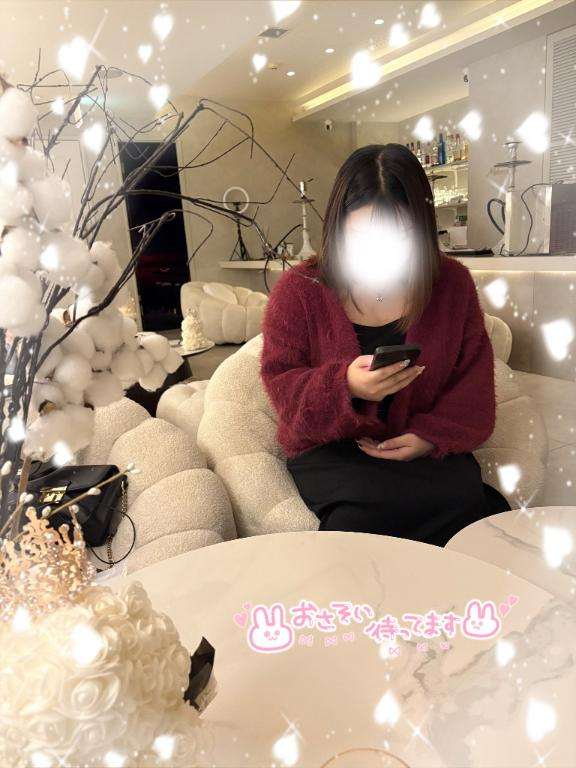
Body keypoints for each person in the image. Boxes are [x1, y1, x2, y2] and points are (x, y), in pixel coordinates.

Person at [260, 143, 510, 547]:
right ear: (339, 227)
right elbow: (283, 388)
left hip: (421, 446)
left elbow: (473, 387)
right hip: (334, 450)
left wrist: (430, 436)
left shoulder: (451, 284)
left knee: (466, 500)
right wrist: (345, 386)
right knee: (361, 517)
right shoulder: (301, 290)